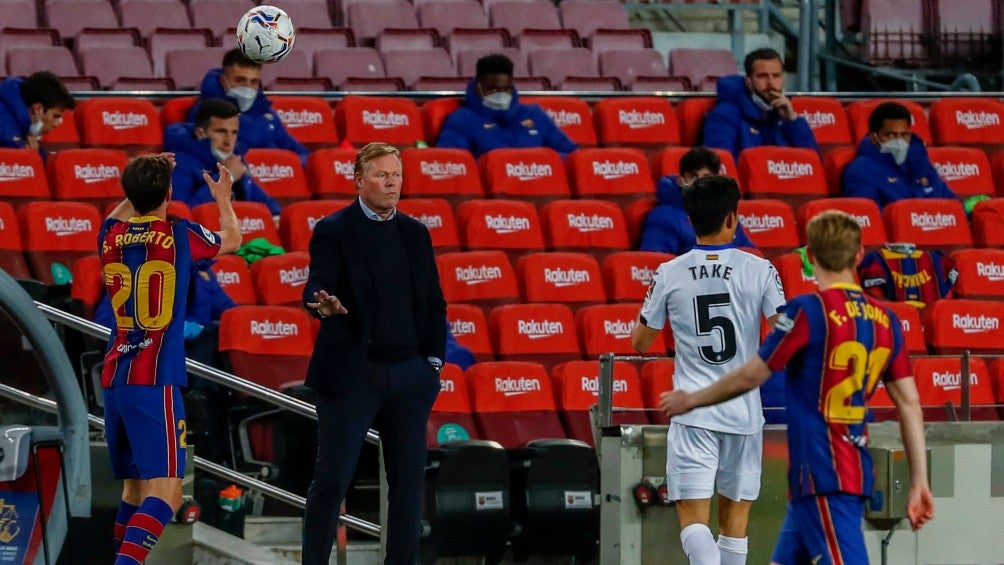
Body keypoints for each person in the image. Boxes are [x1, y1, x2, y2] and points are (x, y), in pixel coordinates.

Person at [660, 210, 935, 564]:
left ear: (811, 255)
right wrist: (919, 482)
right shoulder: (887, 319)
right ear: (859, 255)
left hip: (823, 474)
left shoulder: (809, 310)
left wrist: (692, 398)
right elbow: (910, 404)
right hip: (841, 472)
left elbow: (753, 375)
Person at [300, 142, 447, 565]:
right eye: (382, 175)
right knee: (332, 480)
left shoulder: (416, 233)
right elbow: (317, 284)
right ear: (359, 180)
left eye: (396, 175)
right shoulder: (334, 229)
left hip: (409, 376)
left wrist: (431, 363)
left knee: (407, 486)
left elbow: (435, 303)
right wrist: (321, 304)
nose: (391, 183)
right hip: (353, 373)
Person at [631, 175, 786, 565]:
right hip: (744, 411)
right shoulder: (760, 269)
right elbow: (784, 331)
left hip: (693, 411)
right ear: (733, 218)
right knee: (735, 521)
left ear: (689, 219)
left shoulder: (669, 272)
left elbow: (640, 342)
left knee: (692, 520)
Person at [99, 154, 241, 564]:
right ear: (169, 194)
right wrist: (224, 198)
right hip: (155, 375)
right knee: (168, 494)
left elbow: (119, 211)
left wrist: (142, 180)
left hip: (115, 375)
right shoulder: (177, 232)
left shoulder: (109, 234)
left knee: (134, 490)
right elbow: (232, 239)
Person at [436, 54, 578, 159]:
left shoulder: (535, 115)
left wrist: (542, 160)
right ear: (479, 88)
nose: (501, 94)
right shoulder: (462, 119)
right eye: (493, 89)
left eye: (506, 89)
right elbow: (452, 163)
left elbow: (573, 155)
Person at [187, 48, 309, 164]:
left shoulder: (265, 112)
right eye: (240, 80)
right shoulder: (206, 110)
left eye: (253, 82)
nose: (247, 87)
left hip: (277, 174)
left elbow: (293, 147)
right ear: (223, 81)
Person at [167, 97, 282, 216]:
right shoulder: (179, 164)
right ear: (200, 133)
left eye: (234, 133)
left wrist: (276, 217)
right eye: (221, 132)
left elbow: (270, 206)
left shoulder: (234, 160)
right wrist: (226, 179)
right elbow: (179, 213)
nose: (228, 141)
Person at [703, 48, 818, 161]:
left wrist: (793, 121)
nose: (771, 83)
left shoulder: (786, 115)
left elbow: (814, 163)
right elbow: (720, 166)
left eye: (776, 75)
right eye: (762, 76)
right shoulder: (724, 116)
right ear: (749, 82)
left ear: (783, 79)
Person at [640, 146, 756, 255]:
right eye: (693, 176)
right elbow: (656, 265)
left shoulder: (726, 215)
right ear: (680, 180)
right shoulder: (663, 217)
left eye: (707, 177)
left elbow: (750, 255)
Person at [842, 101, 956, 209]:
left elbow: (955, 207)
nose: (899, 140)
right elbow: (869, 218)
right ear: (873, 137)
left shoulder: (922, 165)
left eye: (904, 134)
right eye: (890, 135)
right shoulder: (860, 170)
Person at [0, 71, 75, 152]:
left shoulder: (16, 120)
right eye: (55, 116)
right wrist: (25, 158)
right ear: (37, 109)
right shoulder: (7, 137)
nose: (58, 123)